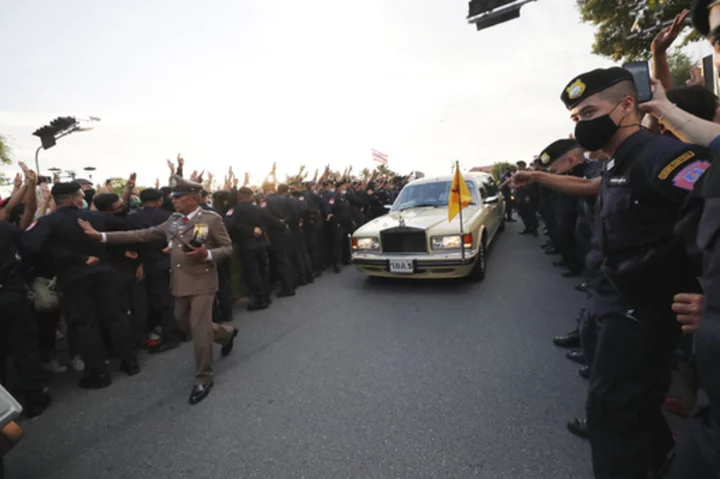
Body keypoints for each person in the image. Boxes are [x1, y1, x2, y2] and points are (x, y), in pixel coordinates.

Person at [511, 67, 711, 478]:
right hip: (615, 304)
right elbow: (591, 188)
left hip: (645, 316)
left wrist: (716, 298)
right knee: (626, 415)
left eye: (588, 112)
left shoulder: (661, 155)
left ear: (626, 106)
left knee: (614, 416)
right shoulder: (621, 160)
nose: (582, 124)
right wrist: (537, 176)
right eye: (576, 119)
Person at [78, 176, 238, 405]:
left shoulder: (210, 219)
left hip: (203, 281)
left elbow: (227, 247)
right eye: (173, 197)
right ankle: (225, 333)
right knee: (184, 323)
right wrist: (101, 236)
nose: (173, 201)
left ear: (192, 199)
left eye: (178, 198)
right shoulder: (174, 220)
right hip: (180, 282)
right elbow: (143, 234)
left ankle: (204, 378)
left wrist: (208, 254)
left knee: (200, 329)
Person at [23, 181, 140, 389]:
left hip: (74, 279)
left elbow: (30, 245)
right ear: (71, 199)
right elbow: (126, 232)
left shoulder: (48, 223)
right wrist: (114, 253)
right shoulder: (96, 217)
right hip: (104, 273)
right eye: (80, 196)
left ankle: (98, 374)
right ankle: (130, 363)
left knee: (86, 325)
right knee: (116, 317)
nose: (83, 200)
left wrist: (64, 255)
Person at [124, 188, 183, 353]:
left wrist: (140, 262)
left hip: (149, 264)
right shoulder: (170, 216)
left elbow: (132, 241)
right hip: (173, 261)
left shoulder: (132, 219)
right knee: (174, 298)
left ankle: (171, 336)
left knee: (162, 302)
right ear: (160, 201)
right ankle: (180, 331)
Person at [225, 187, 288, 311]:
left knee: (252, 272)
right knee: (262, 270)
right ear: (249, 196)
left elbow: (228, 226)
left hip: (246, 245)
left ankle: (260, 299)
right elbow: (273, 221)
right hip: (260, 244)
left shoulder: (233, 210)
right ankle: (266, 296)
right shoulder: (257, 209)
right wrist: (283, 225)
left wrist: (247, 231)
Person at [513, 161, 539, 236]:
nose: (517, 167)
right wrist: (515, 186)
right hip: (519, 195)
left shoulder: (529, 173)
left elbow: (531, 184)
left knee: (530, 212)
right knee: (521, 212)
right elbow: (514, 183)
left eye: (518, 166)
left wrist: (523, 186)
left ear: (523, 166)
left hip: (527, 195)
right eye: (517, 166)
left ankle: (534, 228)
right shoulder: (517, 174)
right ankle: (527, 227)